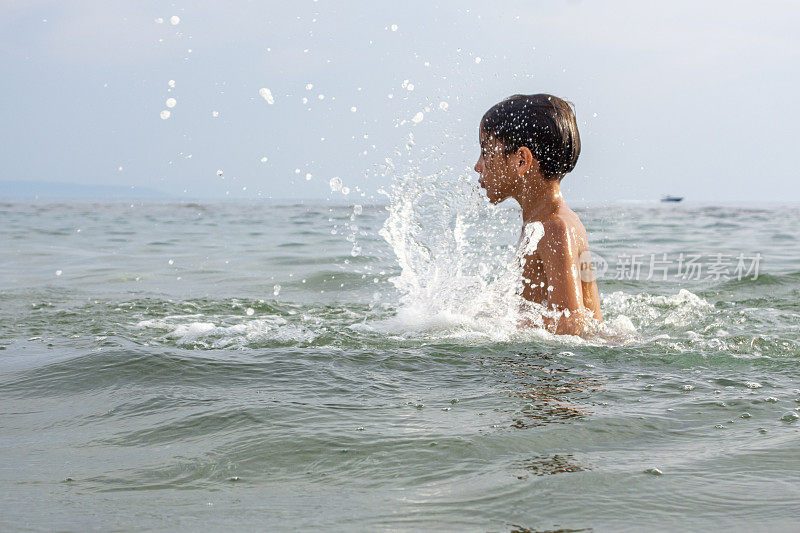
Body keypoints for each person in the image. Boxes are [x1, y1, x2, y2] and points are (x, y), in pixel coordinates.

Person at [474, 93, 602, 335]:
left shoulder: (555, 227)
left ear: (521, 160)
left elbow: (572, 327)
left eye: (485, 152)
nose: (477, 165)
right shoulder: (551, 222)